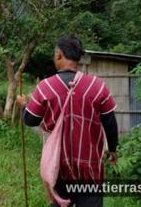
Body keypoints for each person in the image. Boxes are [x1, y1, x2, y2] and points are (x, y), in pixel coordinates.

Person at [16, 35, 119, 207]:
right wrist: (113, 150)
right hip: (89, 169)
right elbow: (110, 122)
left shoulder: (45, 87)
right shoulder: (98, 85)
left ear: (58, 54)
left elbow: (30, 120)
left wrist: (23, 105)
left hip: (58, 167)